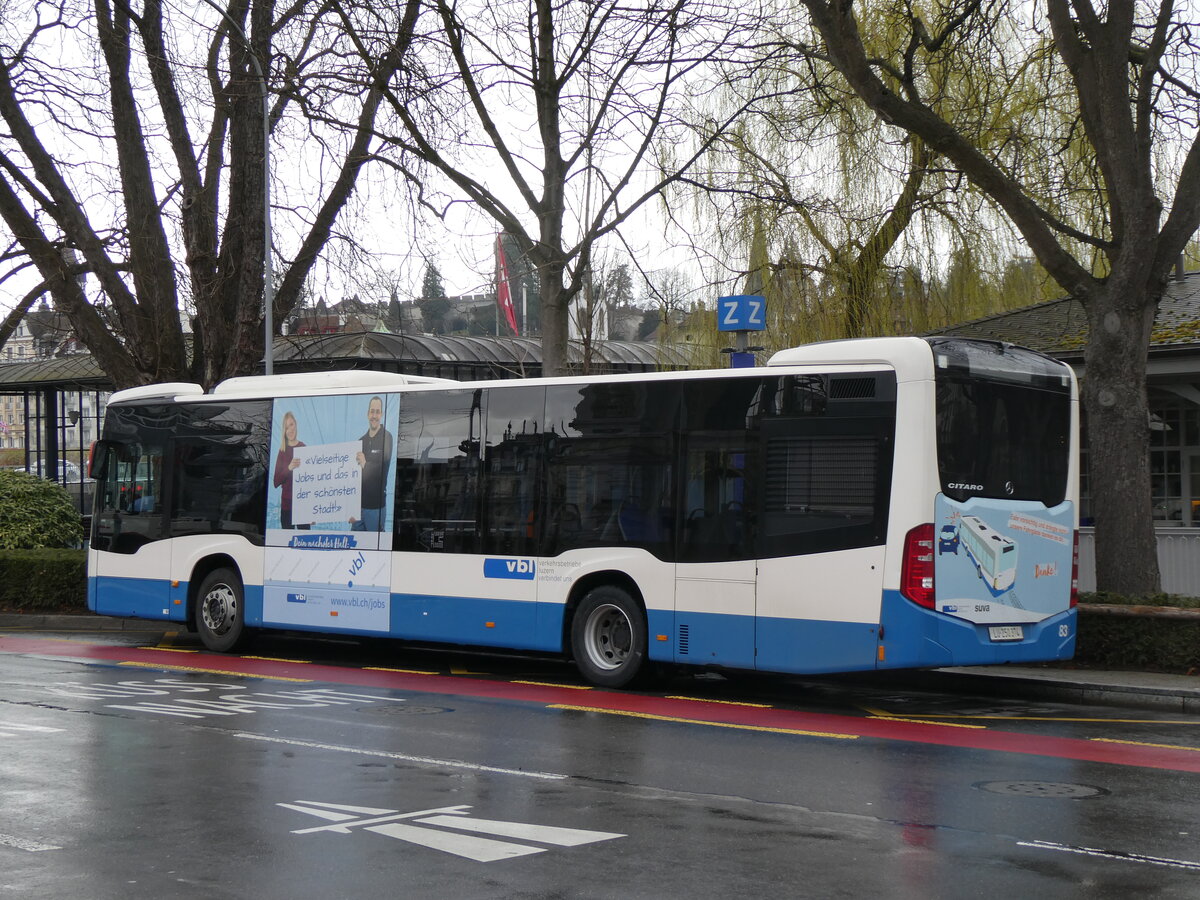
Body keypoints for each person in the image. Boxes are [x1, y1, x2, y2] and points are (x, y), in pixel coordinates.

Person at [350, 396, 393, 531]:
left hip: (375, 508)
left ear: (382, 414)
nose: (374, 415)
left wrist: (365, 464)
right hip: (357, 509)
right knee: (355, 548)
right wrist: (348, 509)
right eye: (372, 411)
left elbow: (383, 467)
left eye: (377, 412)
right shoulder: (360, 441)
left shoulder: (387, 438)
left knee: (375, 548)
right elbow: (352, 478)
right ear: (367, 414)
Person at [273, 411, 309, 529]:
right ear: (284, 430)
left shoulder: (304, 447)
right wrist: (289, 468)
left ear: (296, 425)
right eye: (286, 427)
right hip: (287, 506)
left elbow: (312, 479)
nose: (290, 429)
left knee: (305, 542)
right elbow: (276, 481)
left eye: (291, 424)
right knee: (287, 542)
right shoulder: (282, 451)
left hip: (303, 506)